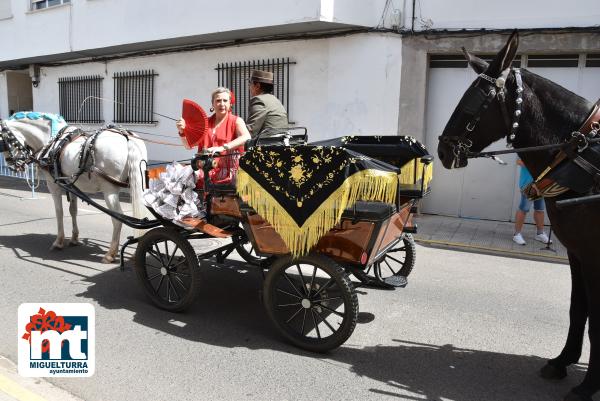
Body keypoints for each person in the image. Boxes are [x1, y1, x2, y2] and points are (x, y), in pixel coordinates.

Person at [173, 87, 251, 236]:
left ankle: (190, 213)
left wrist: (223, 146)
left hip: (227, 170)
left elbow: (246, 137)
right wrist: (182, 131)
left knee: (183, 180)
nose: (222, 104)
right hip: (205, 168)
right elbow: (188, 145)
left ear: (230, 104)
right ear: (212, 104)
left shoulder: (236, 121)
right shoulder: (205, 124)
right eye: (218, 100)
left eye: (225, 100)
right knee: (177, 176)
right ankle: (187, 214)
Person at [512, 159, 552, 245]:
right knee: (524, 209)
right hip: (528, 184)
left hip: (541, 184)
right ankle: (516, 235)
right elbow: (519, 162)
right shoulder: (526, 148)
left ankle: (540, 233)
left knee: (540, 209)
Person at [246, 69, 289, 137]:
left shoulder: (258, 100)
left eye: (250, 83)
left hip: (266, 143)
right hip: (281, 142)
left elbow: (251, 129)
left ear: (257, 86)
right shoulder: (275, 99)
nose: (249, 87)